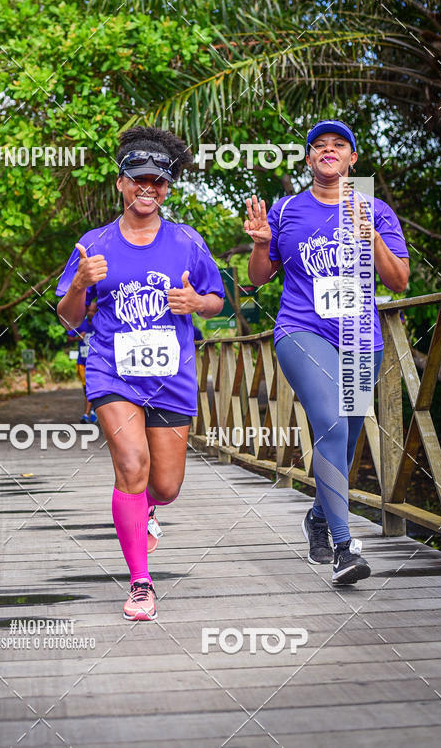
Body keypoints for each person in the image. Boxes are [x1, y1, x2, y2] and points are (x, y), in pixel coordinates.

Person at [56, 126, 225, 620]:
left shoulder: (187, 241)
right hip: (113, 372)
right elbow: (68, 318)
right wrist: (79, 286)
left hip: (172, 376)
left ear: (167, 187)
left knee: (165, 486)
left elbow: (217, 301)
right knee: (132, 466)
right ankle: (140, 583)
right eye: (138, 179)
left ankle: (145, 508)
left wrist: (196, 302)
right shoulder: (94, 244)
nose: (147, 188)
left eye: (158, 181)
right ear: (121, 183)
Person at [244, 119, 409, 585]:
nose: (328, 150)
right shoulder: (286, 210)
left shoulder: (375, 209)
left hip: (360, 337)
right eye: (319, 145)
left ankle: (318, 517)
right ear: (309, 158)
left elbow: (399, 281)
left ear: (352, 158)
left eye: (339, 144)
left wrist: (371, 236)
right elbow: (258, 278)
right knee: (332, 423)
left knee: (346, 439)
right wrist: (261, 244)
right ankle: (343, 546)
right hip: (302, 329)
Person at [66, 300, 98, 423]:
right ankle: (92, 410)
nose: (90, 313)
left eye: (93, 311)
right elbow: (68, 338)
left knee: (91, 388)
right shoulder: (80, 324)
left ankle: (86, 414)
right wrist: (77, 338)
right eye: (88, 310)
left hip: (96, 363)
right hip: (82, 362)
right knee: (87, 389)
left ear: (97, 312)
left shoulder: (100, 324)